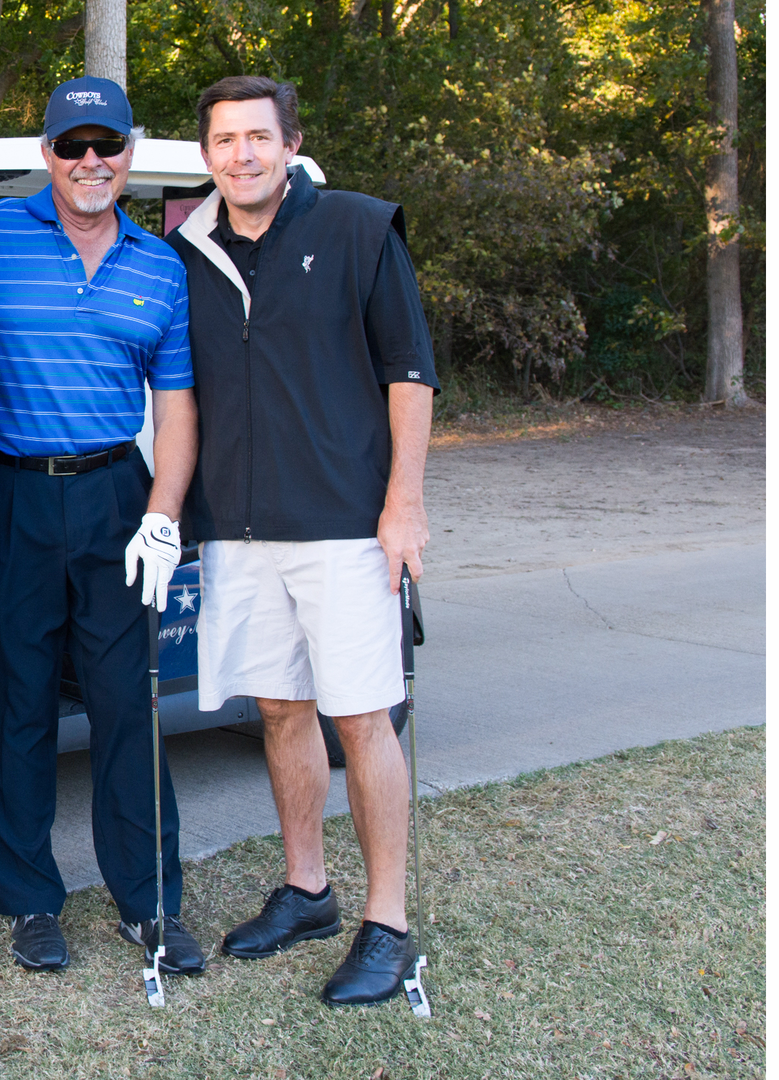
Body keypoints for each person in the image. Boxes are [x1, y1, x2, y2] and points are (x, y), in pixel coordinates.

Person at [164, 76, 441, 1006]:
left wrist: (403, 502)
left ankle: (388, 923)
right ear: (205, 153)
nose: (240, 153)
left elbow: (410, 373)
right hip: (239, 531)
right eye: (224, 139)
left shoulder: (360, 228)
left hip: (344, 528)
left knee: (361, 719)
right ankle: (308, 889)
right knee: (279, 712)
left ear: (289, 144)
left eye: (257, 137)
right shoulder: (188, 250)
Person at [0, 76, 206, 976]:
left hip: (116, 497)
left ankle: (148, 902)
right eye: (74, 146)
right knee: (16, 705)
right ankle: (29, 900)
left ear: (129, 156)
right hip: (11, 493)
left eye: (107, 146)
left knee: (126, 706)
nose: (91, 162)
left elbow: (174, 406)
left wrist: (163, 517)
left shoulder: (160, 264)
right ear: (47, 155)